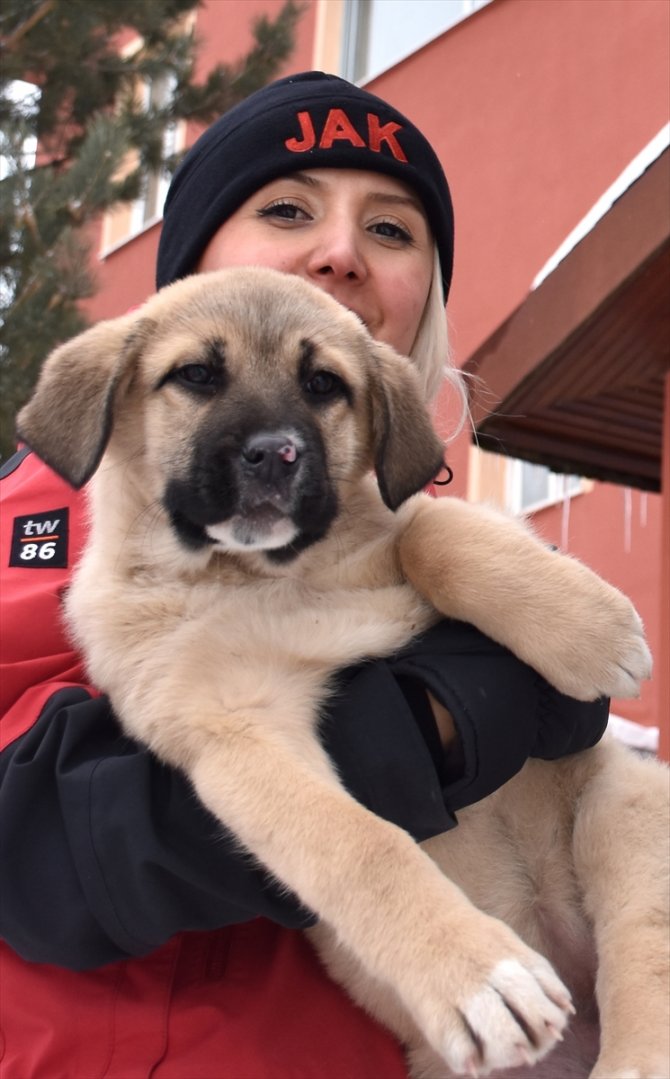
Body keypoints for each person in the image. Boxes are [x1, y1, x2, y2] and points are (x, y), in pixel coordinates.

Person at [0, 71, 608, 1079]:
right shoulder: (32, 518)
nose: (339, 251)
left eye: (392, 230)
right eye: (286, 208)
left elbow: (578, 719)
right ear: (192, 269)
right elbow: (44, 850)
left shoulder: (454, 557)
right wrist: (406, 731)